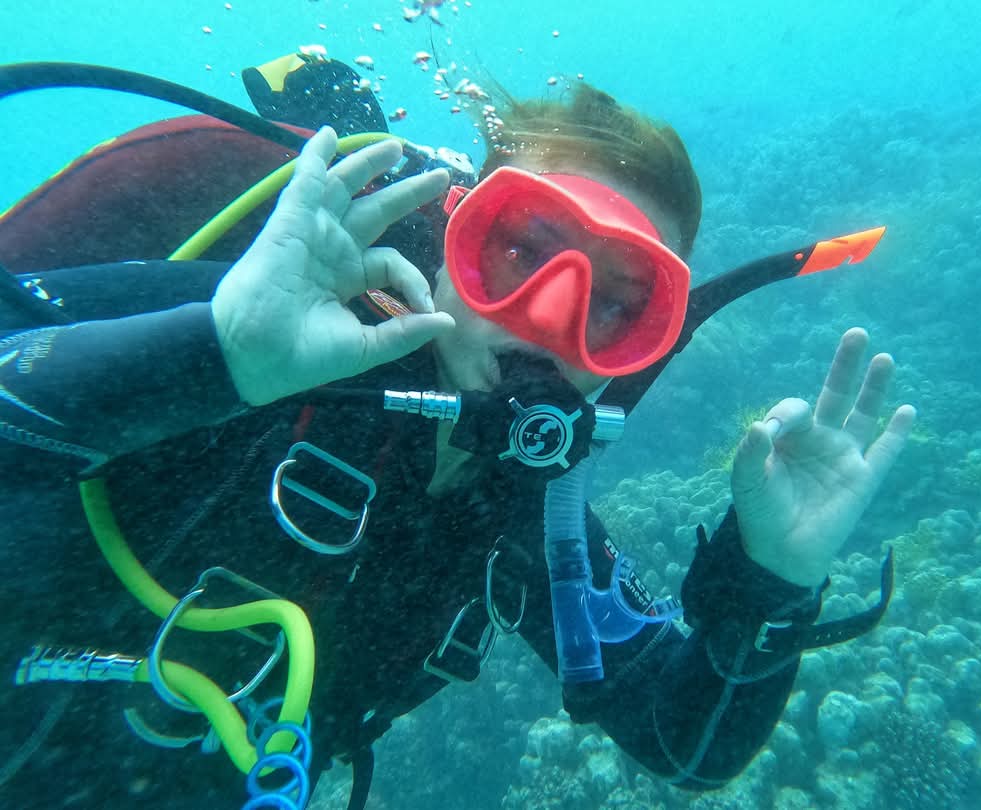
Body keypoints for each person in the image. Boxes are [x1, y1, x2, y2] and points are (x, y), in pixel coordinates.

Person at [0, 70, 914, 809]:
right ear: (453, 242)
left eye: (620, 302)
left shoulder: (531, 527)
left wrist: (770, 581)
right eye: (522, 250)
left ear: (647, 345)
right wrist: (217, 357)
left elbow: (685, 744)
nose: (552, 318)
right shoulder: (265, 338)